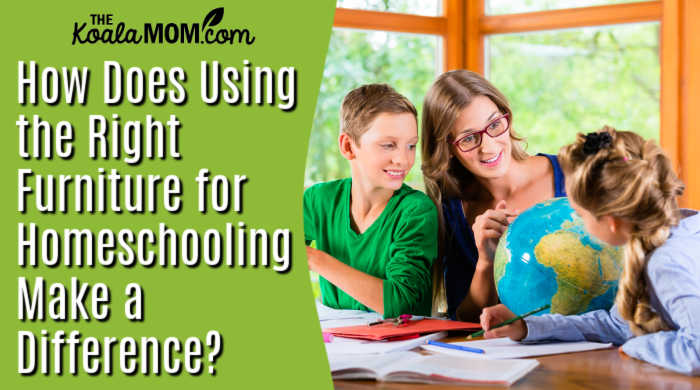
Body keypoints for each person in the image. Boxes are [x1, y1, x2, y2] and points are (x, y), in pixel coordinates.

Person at [479, 128, 700, 375]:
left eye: (581, 215)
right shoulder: (650, 244)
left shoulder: (665, 262)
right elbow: (619, 325)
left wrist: (640, 346)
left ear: (611, 220)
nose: (579, 224)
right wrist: (528, 327)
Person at [421, 70, 566, 320]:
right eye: (469, 138)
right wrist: (485, 263)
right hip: (512, 353)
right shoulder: (454, 211)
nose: (488, 147)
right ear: (448, 148)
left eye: (495, 125)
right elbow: (466, 317)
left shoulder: (573, 174)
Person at [304, 84, 438, 318]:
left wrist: (315, 259)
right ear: (348, 146)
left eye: (411, 146)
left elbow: (401, 302)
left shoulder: (415, 211)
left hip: (406, 348)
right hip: (339, 342)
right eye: (388, 145)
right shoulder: (319, 201)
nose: (403, 160)